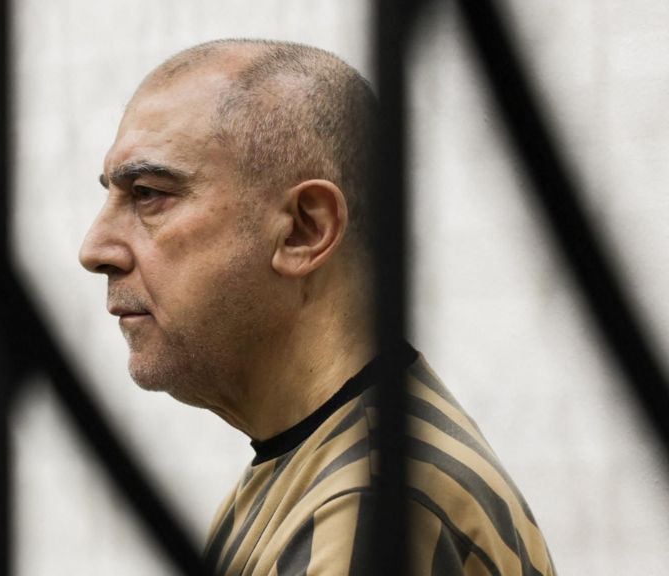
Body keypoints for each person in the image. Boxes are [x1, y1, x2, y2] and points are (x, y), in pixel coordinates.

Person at [78, 38, 555, 575]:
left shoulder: (370, 506)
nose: (95, 250)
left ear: (305, 229)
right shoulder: (321, 468)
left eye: (148, 194)